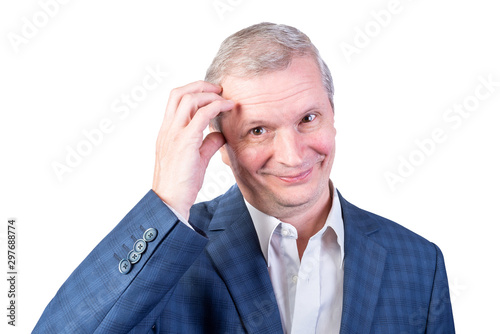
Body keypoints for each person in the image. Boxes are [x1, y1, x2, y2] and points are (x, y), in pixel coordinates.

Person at [33, 22, 455, 333]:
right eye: (258, 130)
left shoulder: (420, 263)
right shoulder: (167, 257)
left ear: (332, 114)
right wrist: (165, 200)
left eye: (308, 118)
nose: (292, 156)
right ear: (221, 145)